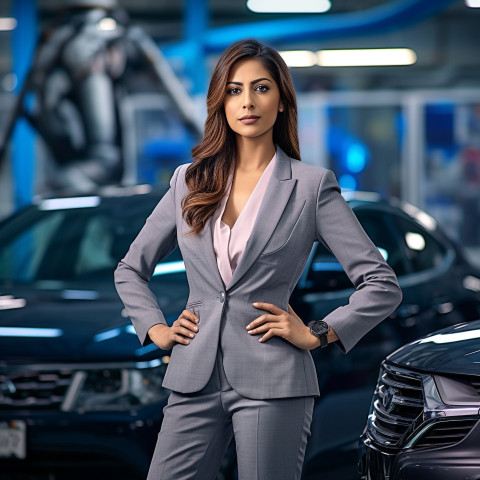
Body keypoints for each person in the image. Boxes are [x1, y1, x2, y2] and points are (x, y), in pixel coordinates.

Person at [114, 39, 402, 480]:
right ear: (220, 102)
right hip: (194, 372)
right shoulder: (188, 182)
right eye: (234, 90)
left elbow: (381, 284)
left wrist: (319, 332)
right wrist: (155, 328)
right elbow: (130, 269)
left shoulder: (310, 186)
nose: (247, 101)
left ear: (283, 101)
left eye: (261, 88)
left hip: (274, 376)